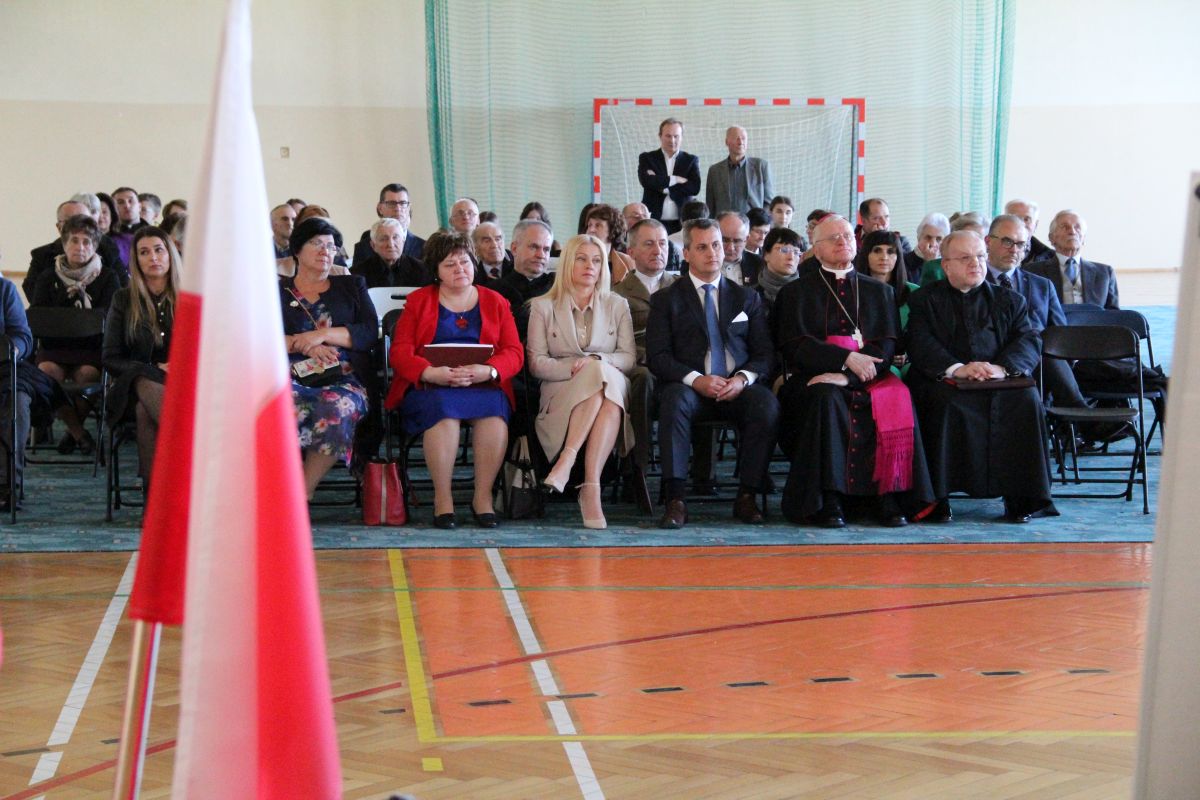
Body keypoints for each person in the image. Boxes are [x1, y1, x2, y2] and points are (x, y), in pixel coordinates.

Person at [774, 216, 934, 528]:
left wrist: (849, 375)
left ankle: (888, 493)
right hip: (815, 374)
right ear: (817, 249)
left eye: (847, 236)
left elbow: (887, 343)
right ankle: (830, 497)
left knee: (898, 394)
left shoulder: (879, 291)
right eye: (833, 238)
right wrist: (844, 359)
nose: (842, 241)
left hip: (871, 374)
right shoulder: (795, 293)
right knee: (826, 397)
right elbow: (795, 345)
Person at [906, 231, 1057, 523]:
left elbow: (1028, 338)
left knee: (1027, 400)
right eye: (965, 258)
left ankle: (1021, 498)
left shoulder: (1010, 299)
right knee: (944, 403)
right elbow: (919, 341)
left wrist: (1002, 368)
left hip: (1000, 379)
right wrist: (956, 368)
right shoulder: (924, 299)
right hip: (945, 380)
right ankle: (937, 497)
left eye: (979, 256)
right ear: (946, 265)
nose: (975, 263)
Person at [646, 218, 779, 528]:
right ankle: (676, 499)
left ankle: (747, 495)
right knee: (673, 401)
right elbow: (658, 357)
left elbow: (764, 354)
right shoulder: (666, 299)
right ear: (687, 253)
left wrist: (742, 379)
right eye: (703, 247)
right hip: (689, 386)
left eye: (717, 245)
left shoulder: (747, 298)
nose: (713, 253)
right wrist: (697, 380)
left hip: (736, 386)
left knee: (766, 405)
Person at [385, 232, 523, 529]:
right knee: (444, 413)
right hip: (432, 385)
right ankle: (443, 499)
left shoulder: (496, 301)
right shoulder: (418, 301)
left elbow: (514, 352)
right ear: (436, 270)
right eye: (450, 264)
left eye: (465, 262)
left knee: (494, 415)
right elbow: (400, 352)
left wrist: (489, 371)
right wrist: (429, 372)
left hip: (483, 383)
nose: (460, 269)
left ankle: (482, 497)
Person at [527, 234, 636, 529]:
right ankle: (590, 487)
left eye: (597, 261)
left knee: (603, 380)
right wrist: (581, 369)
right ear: (567, 264)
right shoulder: (542, 306)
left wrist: (597, 361)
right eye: (582, 259)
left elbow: (629, 358)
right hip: (561, 393)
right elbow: (536, 364)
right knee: (603, 389)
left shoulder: (617, 304)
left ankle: (570, 462)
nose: (591, 266)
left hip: (611, 384)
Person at [280, 217, 379, 500]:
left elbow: (368, 332)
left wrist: (321, 335)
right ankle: (278, 483)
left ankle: (301, 492)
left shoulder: (352, 286)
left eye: (331, 246)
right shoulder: (275, 291)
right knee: (278, 405)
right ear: (297, 250)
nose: (326, 250)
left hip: (343, 377)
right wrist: (304, 344)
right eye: (317, 244)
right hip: (289, 375)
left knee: (336, 407)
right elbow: (259, 336)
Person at [31, 214, 122, 454]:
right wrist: (77, 319)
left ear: (94, 246)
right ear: (64, 244)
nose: (80, 247)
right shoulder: (48, 276)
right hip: (54, 347)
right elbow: (39, 318)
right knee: (46, 372)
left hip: (91, 348)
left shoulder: (108, 277)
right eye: (74, 240)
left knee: (88, 374)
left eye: (86, 242)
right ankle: (79, 433)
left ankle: (74, 432)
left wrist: (70, 320)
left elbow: (109, 319)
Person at [102, 227, 181, 488]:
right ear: (136, 260)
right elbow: (110, 358)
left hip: (183, 384)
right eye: (144, 252)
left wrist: (180, 366)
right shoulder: (123, 299)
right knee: (143, 381)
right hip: (131, 388)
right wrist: (151, 369)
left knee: (144, 412)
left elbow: (207, 349)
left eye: (159, 250)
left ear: (170, 254)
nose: (153, 257)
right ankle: (186, 447)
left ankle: (154, 498)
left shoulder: (189, 298)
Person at [984, 214, 1087, 408]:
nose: (1014, 249)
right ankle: (1080, 412)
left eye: (1021, 244)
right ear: (988, 242)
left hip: (1038, 366)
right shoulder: (976, 283)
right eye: (1007, 241)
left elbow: (1060, 334)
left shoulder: (1042, 286)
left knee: (1048, 347)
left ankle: (1074, 413)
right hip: (992, 362)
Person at [26, 199, 125, 297]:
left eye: (84, 221)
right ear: (59, 227)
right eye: (71, 221)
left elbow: (123, 288)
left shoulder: (107, 250)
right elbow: (32, 292)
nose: (78, 226)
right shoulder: (42, 256)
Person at [855, 230, 919, 376]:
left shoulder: (915, 292)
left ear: (898, 256)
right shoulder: (852, 290)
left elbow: (921, 334)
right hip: (866, 358)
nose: (884, 257)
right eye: (877, 250)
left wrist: (907, 354)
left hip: (907, 360)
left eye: (891, 252)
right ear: (866, 254)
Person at [1023, 210, 1118, 309]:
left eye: (1077, 227)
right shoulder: (1033, 271)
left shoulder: (1105, 273)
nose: (1072, 232)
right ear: (1052, 238)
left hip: (1094, 319)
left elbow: (1113, 313)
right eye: (1065, 227)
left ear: (1084, 238)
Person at [492, 219, 555, 338]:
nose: (541, 255)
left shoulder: (558, 286)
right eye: (534, 247)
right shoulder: (494, 291)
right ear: (514, 249)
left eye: (546, 249)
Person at [637, 117, 700, 234]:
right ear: (660, 136)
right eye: (668, 136)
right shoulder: (647, 158)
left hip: (682, 222)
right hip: (653, 220)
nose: (672, 140)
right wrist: (676, 179)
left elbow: (694, 187)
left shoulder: (690, 160)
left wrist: (663, 186)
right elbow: (647, 181)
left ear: (682, 137)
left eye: (676, 136)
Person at [352, 183, 426, 266]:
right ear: (380, 208)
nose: (398, 208)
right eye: (392, 203)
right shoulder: (363, 248)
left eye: (403, 203)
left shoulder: (424, 247)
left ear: (409, 208)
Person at [705, 126, 774, 215]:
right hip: (724, 222)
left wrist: (761, 221)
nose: (740, 142)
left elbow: (769, 202)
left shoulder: (761, 166)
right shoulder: (714, 171)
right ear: (726, 142)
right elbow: (710, 206)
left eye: (743, 138)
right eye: (736, 138)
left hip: (753, 222)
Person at [350, 218, 428, 288]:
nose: (391, 244)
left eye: (395, 237)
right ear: (373, 245)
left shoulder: (421, 270)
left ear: (403, 241)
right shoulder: (358, 274)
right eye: (384, 239)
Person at [917, 211, 989, 286]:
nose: (975, 263)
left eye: (979, 238)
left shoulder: (990, 268)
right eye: (967, 238)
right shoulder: (935, 270)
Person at [583, 204, 635, 283]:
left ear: (612, 231)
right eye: (589, 225)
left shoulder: (628, 262)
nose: (591, 230)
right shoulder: (575, 259)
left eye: (598, 225)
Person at [717, 211, 764, 287]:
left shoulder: (759, 265)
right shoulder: (701, 263)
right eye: (724, 240)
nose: (730, 248)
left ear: (746, 239)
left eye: (737, 241)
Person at [1004, 198, 1053, 264]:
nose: (1021, 224)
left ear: (1035, 225)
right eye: (1015, 218)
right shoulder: (990, 248)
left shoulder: (1051, 258)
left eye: (1027, 219)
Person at [109, 187, 149, 268]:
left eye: (131, 201)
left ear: (139, 206)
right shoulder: (108, 237)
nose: (127, 206)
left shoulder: (154, 234)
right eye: (120, 202)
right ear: (113, 209)